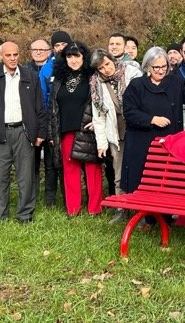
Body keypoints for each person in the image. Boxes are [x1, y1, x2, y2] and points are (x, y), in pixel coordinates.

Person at [121, 47, 185, 194]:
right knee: (145, 185)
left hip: (168, 141)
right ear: (147, 67)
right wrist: (151, 119)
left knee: (167, 184)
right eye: (156, 67)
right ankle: (148, 215)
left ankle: (166, 216)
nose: (161, 70)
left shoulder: (175, 81)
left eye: (164, 66)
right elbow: (129, 112)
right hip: (143, 143)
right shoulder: (136, 85)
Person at [0, 41, 46, 223]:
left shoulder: (30, 76)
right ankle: (0, 216)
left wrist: (40, 132)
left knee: (26, 176)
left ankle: (25, 215)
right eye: (8, 55)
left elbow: (39, 106)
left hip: (24, 132)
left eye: (15, 54)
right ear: (1, 56)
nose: (12, 58)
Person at [49, 43, 102, 216]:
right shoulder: (59, 80)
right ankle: (73, 209)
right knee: (70, 171)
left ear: (84, 57)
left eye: (77, 56)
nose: (73, 60)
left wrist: (98, 121)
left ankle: (95, 209)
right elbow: (53, 108)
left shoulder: (93, 77)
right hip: (66, 131)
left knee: (92, 171)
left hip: (87, 130)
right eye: (69, 56)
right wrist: (52, 132)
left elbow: (103, 102)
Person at [90, 49, 142, 207]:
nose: (106, 69)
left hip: (137, 127)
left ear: (112, 60)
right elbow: (98, 116)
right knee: (118, 170)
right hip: (115, 130)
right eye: (101, 68)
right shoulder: (96, 83)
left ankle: (139, 206)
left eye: (107, 63)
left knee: (139, 169)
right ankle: (121, 207)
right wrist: (101, 143)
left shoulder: (131, 73)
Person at [28, 37, 60, 207]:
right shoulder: (24, 70)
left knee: (50, 163)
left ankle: (50, 200)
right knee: (31, 163)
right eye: (35, 50)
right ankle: (31, 198)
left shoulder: (55, 68)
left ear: (49, 52)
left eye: (42, 49)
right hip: (31, 123)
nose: (38, 52)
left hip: (50, 122)